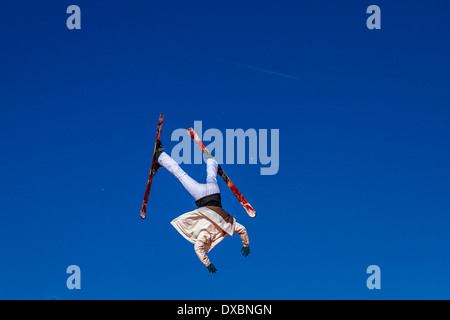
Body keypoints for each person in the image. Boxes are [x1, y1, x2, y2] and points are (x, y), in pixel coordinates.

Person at [152, 140, 250, 273]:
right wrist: (207, 264)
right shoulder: (206, 234)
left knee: (211, 177)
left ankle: (211, 163)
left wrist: (246, 243)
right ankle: (161, 157)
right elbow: (198, 248)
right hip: (200, 195)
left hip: (214, 192)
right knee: (181, 175)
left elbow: (243, 229)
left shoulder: (228, 224)